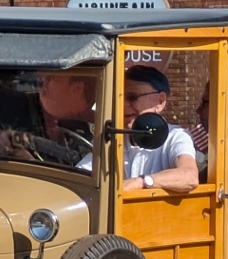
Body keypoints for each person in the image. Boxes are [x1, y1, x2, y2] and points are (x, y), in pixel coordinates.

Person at [78, 65, 198, 193]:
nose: (123, 104)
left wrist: (142, 182)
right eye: (120, 97)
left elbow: (190, 176)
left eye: (132, 97)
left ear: (160, 101)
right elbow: (82, 173)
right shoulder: (114, 137)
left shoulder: (175, 137)